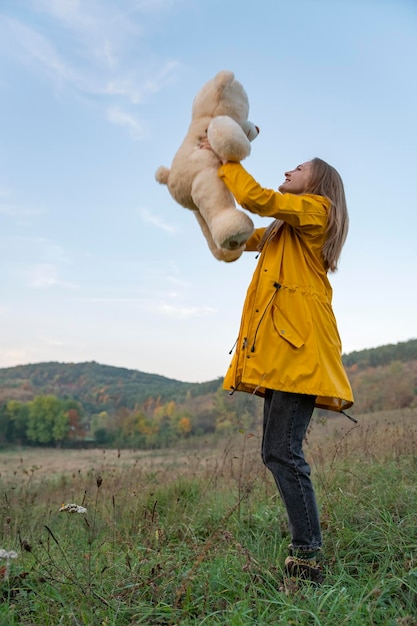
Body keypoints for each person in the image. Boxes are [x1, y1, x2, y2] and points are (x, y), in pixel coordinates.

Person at [212, 152, 354, 584]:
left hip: (299, 354)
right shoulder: (280, 231)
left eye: (299, 167)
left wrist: (224, 161)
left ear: (319, 181)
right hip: (281, 356)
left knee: (283, 452)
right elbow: (233, 241)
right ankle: (305, 548)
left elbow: (257, 198)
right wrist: (207, 205)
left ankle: (307, 556)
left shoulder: (316, 211)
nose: (289, 170)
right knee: (276, 452)